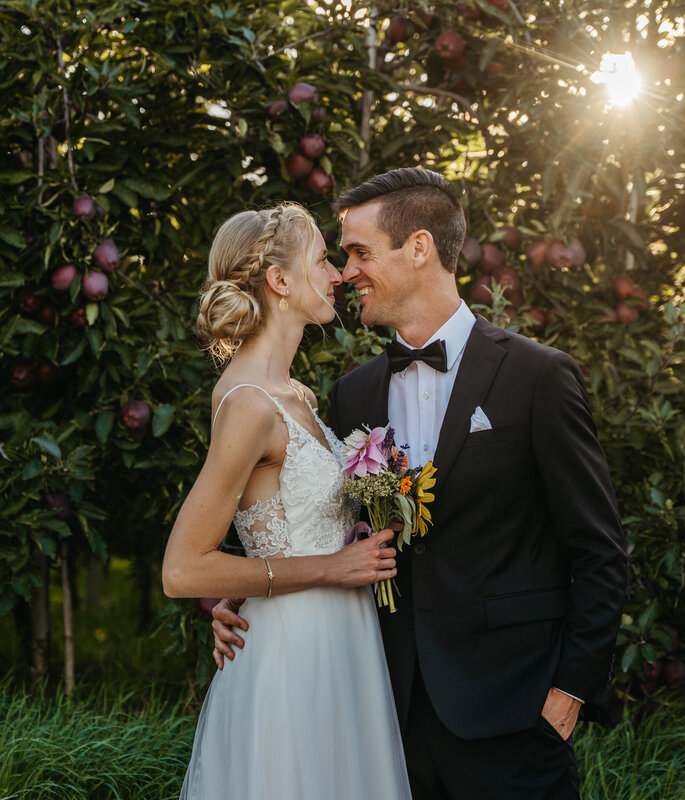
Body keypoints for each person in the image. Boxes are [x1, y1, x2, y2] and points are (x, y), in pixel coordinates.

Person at [211, 169, 627, 799]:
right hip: (383, 714)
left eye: (359, 252)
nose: (347, 271)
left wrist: (568, 695)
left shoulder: (537, 378)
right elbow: (310, 519)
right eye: (341, 256)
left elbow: (599, 550)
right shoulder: (350, 396)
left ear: (420, 248)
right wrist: (244, 598)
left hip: (512, 721)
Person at [162, 202, 414, 800]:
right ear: (279, 281)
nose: (336, 274)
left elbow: (273, 522)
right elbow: (182, 567)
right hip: (293, 654)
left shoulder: (295, 393)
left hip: (339, 638)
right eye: (324, 259)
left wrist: (243, 586)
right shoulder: (249, 402)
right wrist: (333, 567)